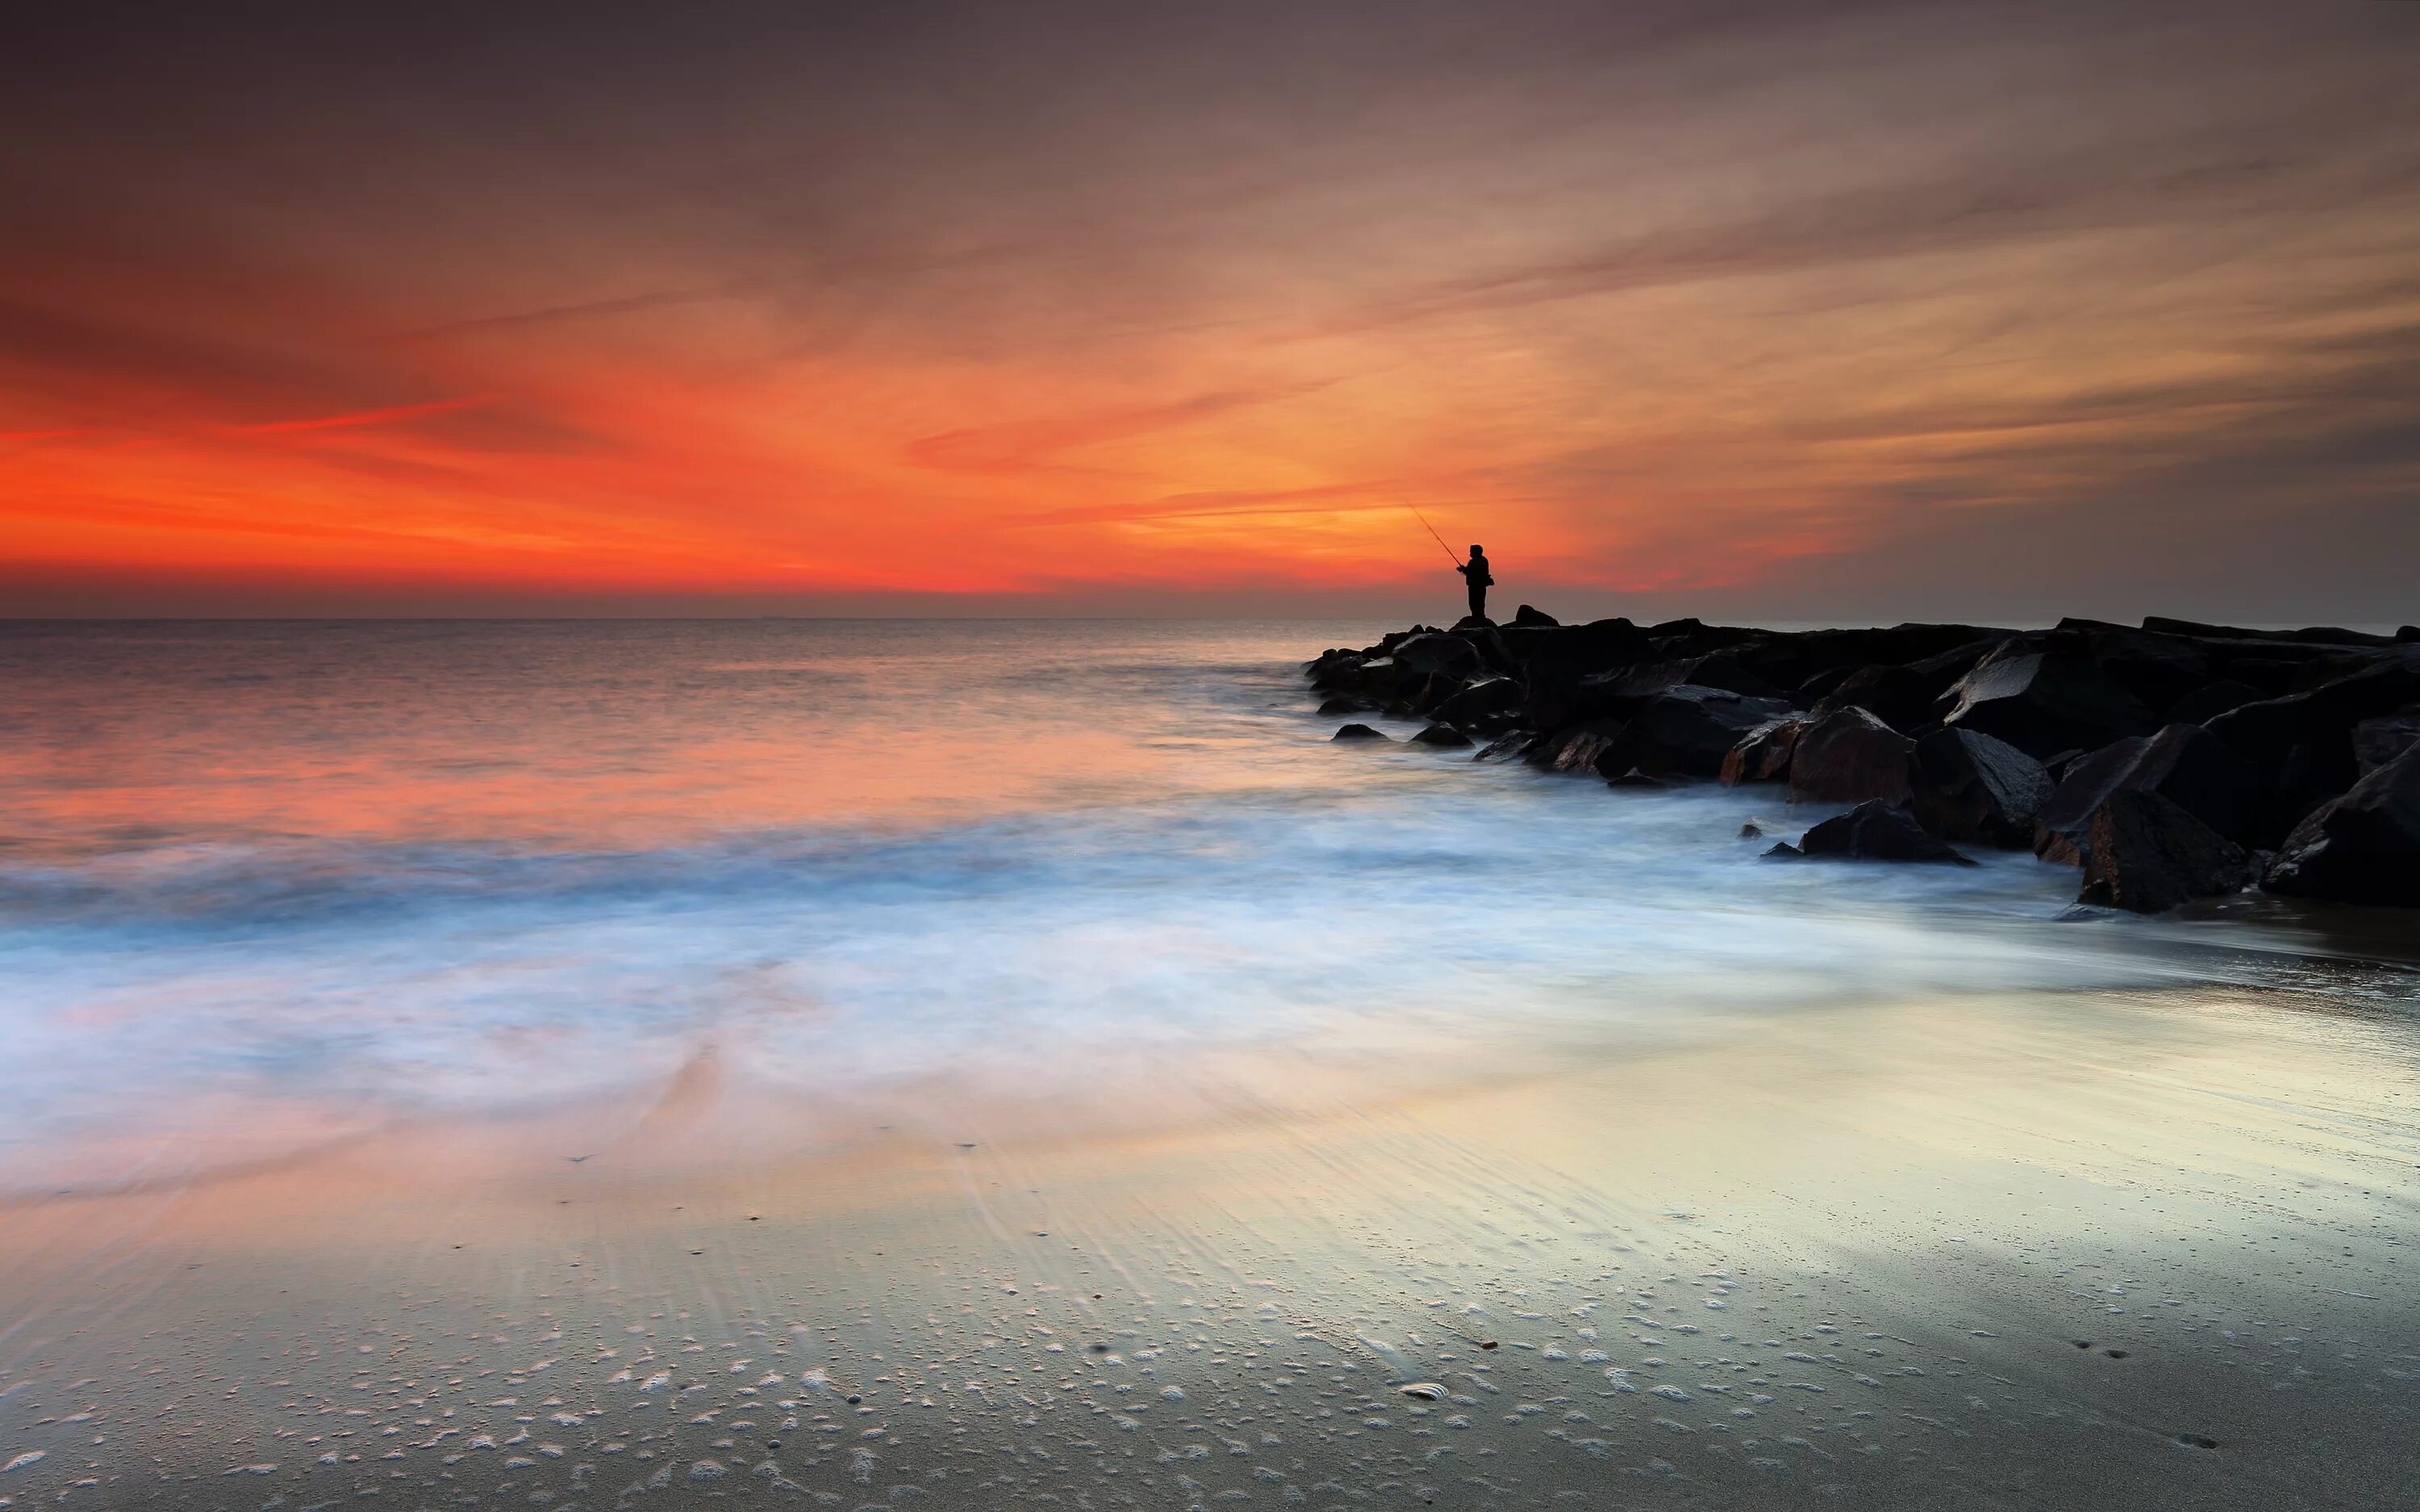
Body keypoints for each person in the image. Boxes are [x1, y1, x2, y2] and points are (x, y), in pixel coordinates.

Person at [1457, 544, 1494, 621]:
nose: (1470, 553)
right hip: (1481, 586)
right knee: (1480, 603)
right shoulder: (1484, 560)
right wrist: (1463, 569)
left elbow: (1470, 572)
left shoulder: (1474, 562)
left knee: (1474, 603)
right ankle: (1480, 617)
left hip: (1475, 586)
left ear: (1476, 552)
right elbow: (1471, 572)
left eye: (1471, 551)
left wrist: (1463, 569)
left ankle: (1477, 618)